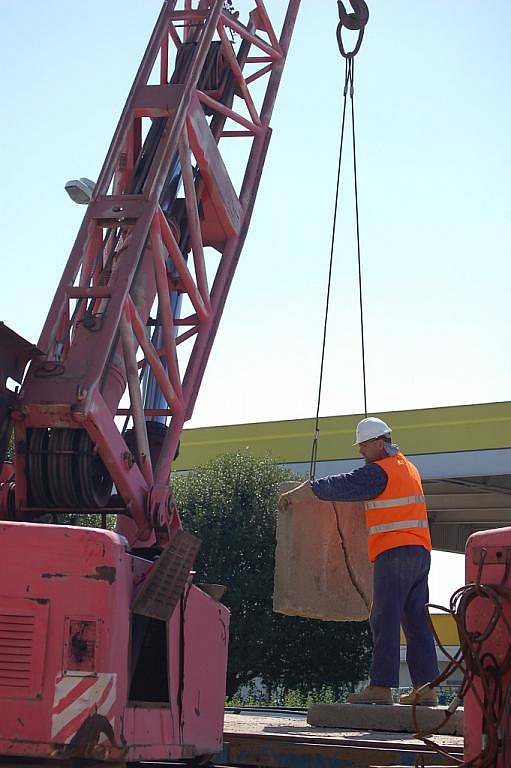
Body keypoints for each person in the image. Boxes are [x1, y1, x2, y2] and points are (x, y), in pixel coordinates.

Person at [283, 416, 439, 706]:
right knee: (416, 620)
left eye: (364, 446)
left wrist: (309, 489)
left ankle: (380, 688)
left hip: (393, 552)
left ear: (380, 443)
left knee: (384, 617)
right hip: (419, 553)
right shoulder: (408, 467)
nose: (360, 452)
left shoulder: (380, 472)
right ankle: (426, 688)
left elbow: (347, 484)